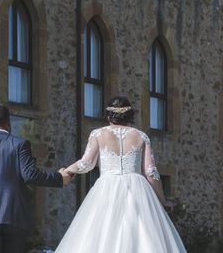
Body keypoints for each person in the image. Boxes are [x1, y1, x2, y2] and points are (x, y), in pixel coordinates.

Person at [54, 96, 187, 253]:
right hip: (138, 190)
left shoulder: (98, 134)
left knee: (100, 235)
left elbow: (86, 164)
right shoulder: (141, 136)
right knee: (143, 236)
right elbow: (151, 173)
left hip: (106, 188)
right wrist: (162, 201)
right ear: (129, 115)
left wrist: (67, 170)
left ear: (109, 115)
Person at [0, 103, 73, 253]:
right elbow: (30, 174)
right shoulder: (20, 144)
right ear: (8, 122)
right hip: (13, 217)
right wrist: (59, 178)